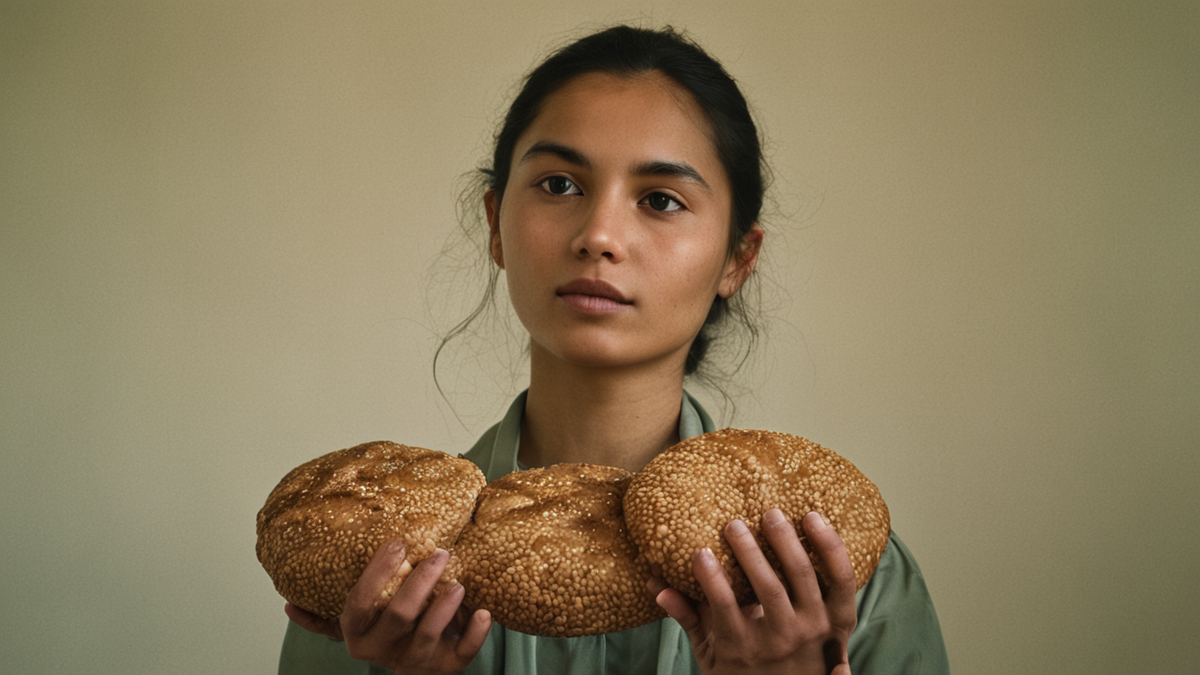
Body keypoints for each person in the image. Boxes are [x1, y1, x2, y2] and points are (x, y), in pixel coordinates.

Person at [277, 25, 949, 675]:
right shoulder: (366, 568)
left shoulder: (848, 577)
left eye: (660, 199)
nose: (599, 234)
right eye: (559, 184)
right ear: (495, 224)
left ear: (736, 260)